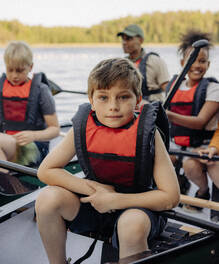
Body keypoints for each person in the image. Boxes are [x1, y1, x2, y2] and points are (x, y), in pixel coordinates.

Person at [35, 58, 180, 264]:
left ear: (138, 99)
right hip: (96, 202)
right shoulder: (82, 128)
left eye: (123, 97)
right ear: (91, 100)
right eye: (103, 97)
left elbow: (171, 197)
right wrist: (95, 189)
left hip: (139, 207)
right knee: (47, 198)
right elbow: (46, 171)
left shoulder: (149, 134)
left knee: (132, 224)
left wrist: (115, 200)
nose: (113, 106)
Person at [166, 30, 219, 209]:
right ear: (183, 63)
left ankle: (203, 193)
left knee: (192, 165)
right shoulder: (173, 85)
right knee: (155, 159)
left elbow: (200, 121)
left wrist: (169, 115)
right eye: (192, 60)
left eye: (202, 61)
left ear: (208, 64)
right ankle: (174, 191)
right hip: (177, 144)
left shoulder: (212, 88)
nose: (197, 65)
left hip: (202, 145)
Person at [0, 41, 59, 190]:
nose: (14, 75)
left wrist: (33, 135)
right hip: (7, 145)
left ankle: (10, 186)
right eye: (10, 70)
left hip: (33, 147)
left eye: (20, 70)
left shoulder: (41, 90)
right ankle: (8, 181)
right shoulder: (1, 87)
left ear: (30, 67)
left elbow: (55, 130)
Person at [117, 24, 169, 102]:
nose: (124, 43)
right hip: (130, 107)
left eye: (128, 39)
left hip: (153, 107)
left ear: (141, 40)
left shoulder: (155, 61)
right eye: (123, 39)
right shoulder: (120, 64)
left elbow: (167, 88)